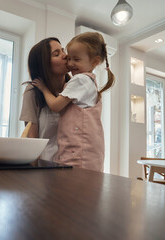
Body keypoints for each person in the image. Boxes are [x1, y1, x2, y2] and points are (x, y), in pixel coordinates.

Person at [32, 32, 115, 171]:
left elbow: (55, 106)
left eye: (76, 59)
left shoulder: (80, 80)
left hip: (78, 152)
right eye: (69, 58)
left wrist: (44, 89)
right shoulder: (89, 81)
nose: (70, 63)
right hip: (83, 151)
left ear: (94, 62)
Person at [19, 37, 70, 161]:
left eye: (63, 50)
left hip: (73, 164)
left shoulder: (75, 88)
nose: (65, 56)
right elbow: (32, 140)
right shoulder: (33, 91)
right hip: (46, 167)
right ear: (44, 65)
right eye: (56, 54)